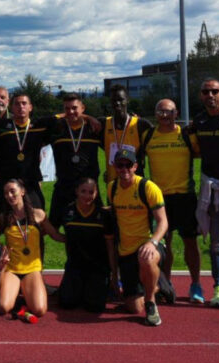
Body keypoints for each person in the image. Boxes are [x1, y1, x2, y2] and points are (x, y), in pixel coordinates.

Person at [141, 98, 203, 303]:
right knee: (162, 245)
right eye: (160, 111)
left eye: (168, 111)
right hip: (159, 200)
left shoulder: (186, 135)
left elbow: (204, 154)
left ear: (176, 113)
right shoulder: (148, 136)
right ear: (155, 114)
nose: (164, 115)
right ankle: (165, 284)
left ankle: (196, 285)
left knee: (190, 242)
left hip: (185, 197)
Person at [107, 149, 168, 326]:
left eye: (128, 165)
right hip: (126, 250)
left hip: (149, 244)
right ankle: (159, 286)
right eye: (120, 165)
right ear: (114, 166)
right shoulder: (112, 188)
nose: (124, 169)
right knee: (133, 307)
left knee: (146, 258)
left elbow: (163, 222)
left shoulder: (148, 187)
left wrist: (152, 242)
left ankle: (151, 302)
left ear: (135, 166)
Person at [0, 179, 64, 318]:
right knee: (3, 307)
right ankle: (20, 293)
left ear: (22, 191)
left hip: (32, 268)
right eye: (6, 193)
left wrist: (75, 238)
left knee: (39, 310)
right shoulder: (4, 218)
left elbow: (55, 235)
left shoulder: (38, 214)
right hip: (12, 269)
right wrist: (1, 249)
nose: (9, 195)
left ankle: (25, 293)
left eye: (12, 191)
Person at [186, 78, 219, 308]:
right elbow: (196, 151)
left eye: (214, 91)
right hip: (212, 188)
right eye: (205, 91)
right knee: (217, 243)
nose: (210, 95)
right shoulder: (198, 122)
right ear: (201, 96)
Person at [58, 178, 117, 313]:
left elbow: (110, 246)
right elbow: (64, 237)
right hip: (75, 266)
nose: (87, 195)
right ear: (76, 191)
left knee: (94, 307)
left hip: (98, 267)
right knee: (67, 303)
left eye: (91, 192)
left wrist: (114, 274)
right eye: (83, 191)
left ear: (96, 194)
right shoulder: (67, 211)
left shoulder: (103, 214)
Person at [49, 93, 102, 229]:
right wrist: (86, 116)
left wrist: (88, 118)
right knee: (51, 227)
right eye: (67, 109)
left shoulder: (93, 128)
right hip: (63, 188)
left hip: (89, 190)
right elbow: (43, 121)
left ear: (83, 107)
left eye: (74, 108)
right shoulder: (57, 128)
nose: (70, 112)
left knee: (97, 228)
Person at [102, 84, 151, 184]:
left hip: (135, 184)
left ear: (127, 100)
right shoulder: (103, 124)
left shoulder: (141, 124)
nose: (117, 103)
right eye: (114, 100)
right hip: (113, 184)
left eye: (121, 99)